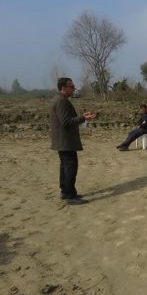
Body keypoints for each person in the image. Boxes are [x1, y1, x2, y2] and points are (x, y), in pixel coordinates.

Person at [50, 77, 96, 205]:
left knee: (65, 167)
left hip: (63, 141)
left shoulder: (59, 99)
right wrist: (83, 118)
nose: (74, 88)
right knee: (70, 167)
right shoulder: (61, 101)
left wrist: (82, 118)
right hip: (66, 141)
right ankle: (69, 195)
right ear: (63, 88)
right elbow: (65, 122)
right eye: (71, 86)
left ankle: (66, 192)